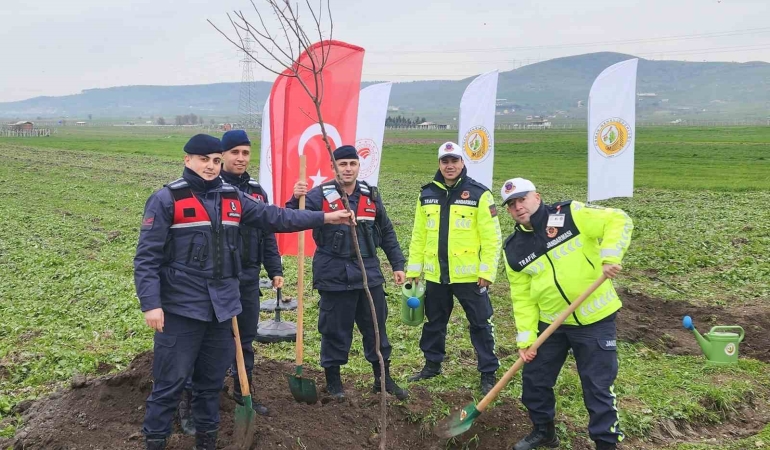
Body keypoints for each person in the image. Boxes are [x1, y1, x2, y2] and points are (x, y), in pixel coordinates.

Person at [134, 134, 351, 450]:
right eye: (203, 159)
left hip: (222, 308)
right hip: (181, 308)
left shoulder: (232, 197)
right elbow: (146, 257)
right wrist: (151, 304)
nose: (211, 166)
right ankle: (155, 442)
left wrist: (325, 217)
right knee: (169, 385)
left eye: (215, 160)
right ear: (188, 161)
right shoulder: (168, 199)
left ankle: (206, 444)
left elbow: (276, 217)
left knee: (210, 386)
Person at [499, 177, 633, 450]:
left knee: (597, 387)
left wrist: (610, 255)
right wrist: (526, 338)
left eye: (522, 199)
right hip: (550, 323)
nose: (518, 207)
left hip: (595, 319)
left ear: (537, 196)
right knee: (535, 381)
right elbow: (521, 297)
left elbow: (618, 219)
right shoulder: (513, 249)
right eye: (511, 205)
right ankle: (544, 432)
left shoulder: (570, 214)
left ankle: (606, 444)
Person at [287, 145, 408, 401]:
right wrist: (294, 197)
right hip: (334, 274)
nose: (348, 169)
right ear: (334, 167)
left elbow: (386, 231)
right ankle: (333, 384)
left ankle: (382, 379)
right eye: (342, 164)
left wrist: (397, 264)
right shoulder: (319, 194)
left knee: (376, 329)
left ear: (358, 166)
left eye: (352, 164)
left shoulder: (370, 195)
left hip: (368, 274)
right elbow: (294, 217)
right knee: (334, 330)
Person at [405, 142, 502, 395]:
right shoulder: (426, 194)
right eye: (445, 162)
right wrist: (414, 270)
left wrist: (487, 271)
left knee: (481, 323)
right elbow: (418, 235)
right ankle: (432, 365)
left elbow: (492, 237)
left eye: (454, 161)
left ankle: (488, 371)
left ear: (462, 163)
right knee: (434, 322)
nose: (450, 166)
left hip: (470, 276)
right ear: (439, 164)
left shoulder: (480, 194)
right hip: (436, 274)